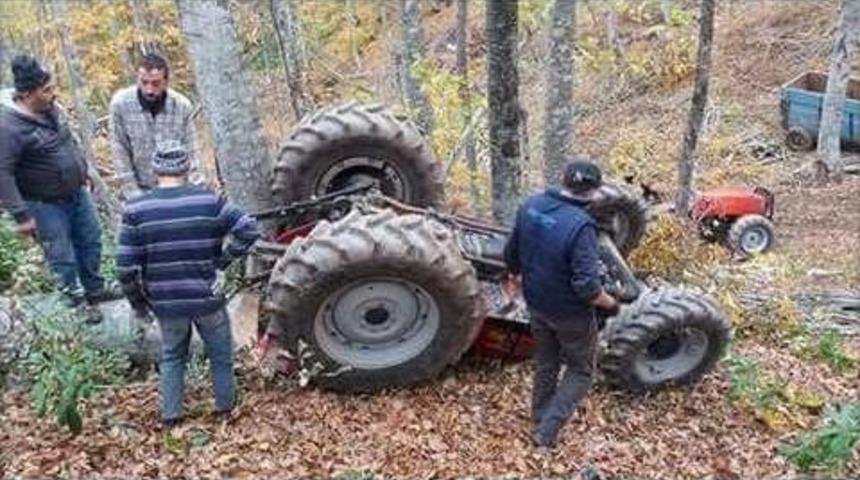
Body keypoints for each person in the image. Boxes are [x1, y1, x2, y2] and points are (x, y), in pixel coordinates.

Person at [116, 142, 259, 428]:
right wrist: (222, 263)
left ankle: (171, 418)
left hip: (166, 302)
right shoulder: (210, 201)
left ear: (155, 169)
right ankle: (225, 413)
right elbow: (249, 229)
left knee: (172, 357)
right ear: (187, 167)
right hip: (207, 298)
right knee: (220, 355)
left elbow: (125, 268)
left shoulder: (136, 209)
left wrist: (140, 307)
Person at [503, 157, 620, 449]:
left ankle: (540, 413)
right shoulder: (582, 227)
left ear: (564, 181)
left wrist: (517, 278)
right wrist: (612, 304)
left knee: (547, 361)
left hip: (536, 303)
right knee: (581, 370)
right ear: (594, 192)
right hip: (570, 315)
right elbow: (588, 289)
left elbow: (511, 253)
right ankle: (547, 431)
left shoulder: (530, 205)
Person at [0, 54, 120, 308]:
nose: (52, 93)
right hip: (44, 203)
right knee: (60, 254)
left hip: (77, 192)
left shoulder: (51, 109)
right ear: (27, 95)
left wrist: (83, 170)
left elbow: (68, 141)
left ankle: (95, 290)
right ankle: (73, 302)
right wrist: (21, 215)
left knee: (91, 239)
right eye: (46, 90)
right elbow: (3, 172)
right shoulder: (9, 127)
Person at [109, 52, 202, 200]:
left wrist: (195, 192)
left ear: (166, 82)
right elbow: (120, 152)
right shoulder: (120, 105)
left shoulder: (182, 106)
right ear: (137, 79)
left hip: (178, 190)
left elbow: (192, 153)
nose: (149, 90)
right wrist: (134, 196)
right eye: (144, 82)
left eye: (155, 83)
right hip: (141, 189)